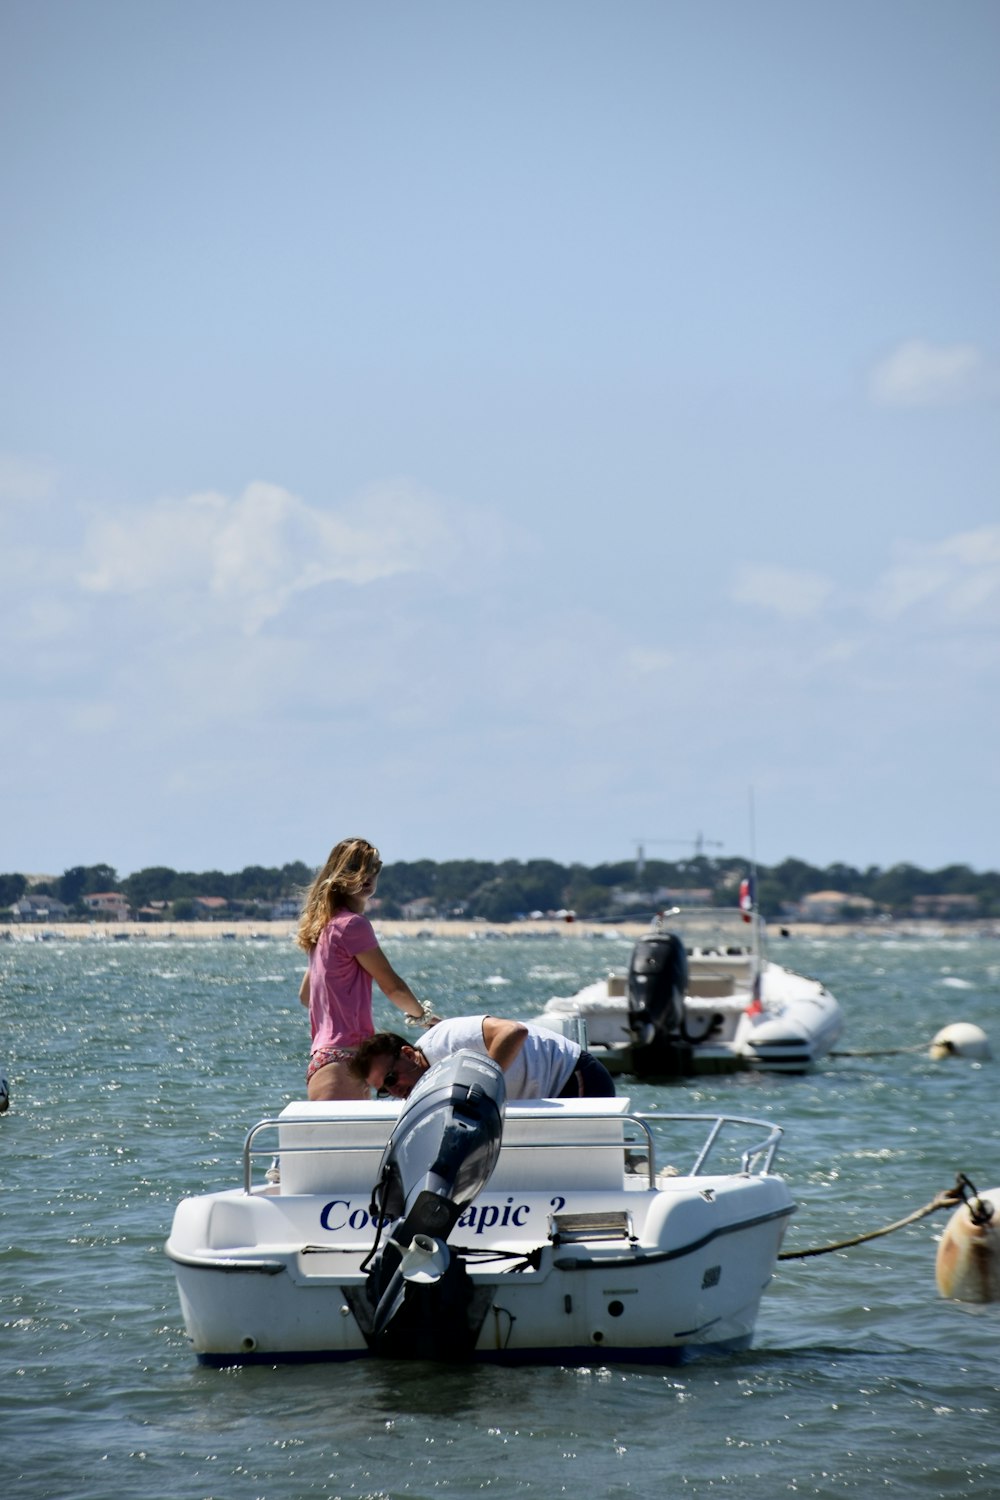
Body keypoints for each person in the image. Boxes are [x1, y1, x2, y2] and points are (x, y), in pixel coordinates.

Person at [297, 837, 439, 1100]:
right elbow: (392, 986)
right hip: (344, 1059)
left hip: (324, 1059)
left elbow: (306, 997)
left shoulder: (322, 927)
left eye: (373, 868)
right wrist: (426, 1019)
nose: (366, 876)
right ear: (338, 875)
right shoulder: (353, 925)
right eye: (356, 869)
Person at [349, 1015, 616, 1101]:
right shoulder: (421, 1087)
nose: (395, 1091)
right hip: (543, 1095)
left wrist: (483, 1085)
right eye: (384, 1090)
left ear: (408, 1054)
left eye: (392, 1078)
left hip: (573, 1075)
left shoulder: (448, 1039)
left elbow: (514, 1031)